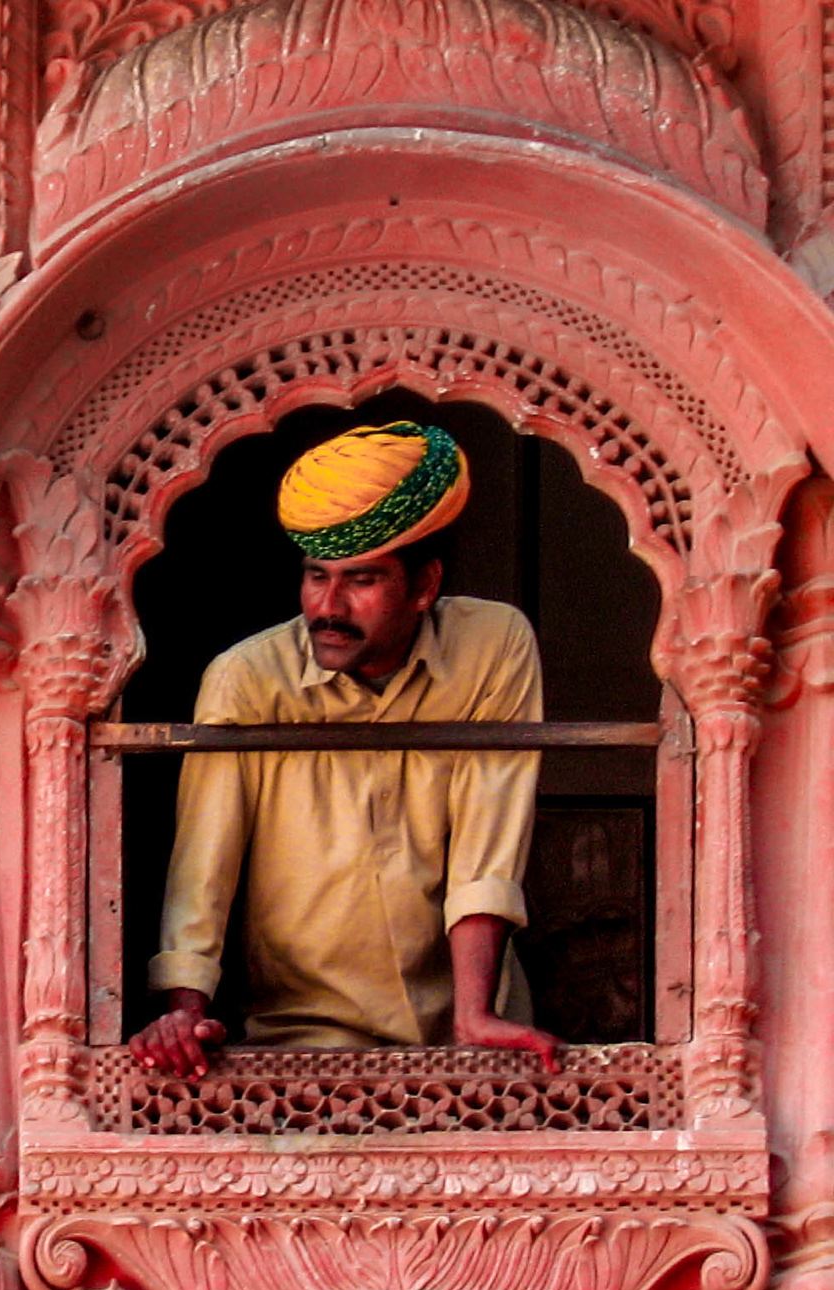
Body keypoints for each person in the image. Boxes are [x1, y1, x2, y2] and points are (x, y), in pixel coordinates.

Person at [129, 420, 559, 1079]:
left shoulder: (493, 646)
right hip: (300, 1033)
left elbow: (488, 838)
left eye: (361, 580)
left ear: (424, 586)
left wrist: (473, 1015)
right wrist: (186, 1009)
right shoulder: (247, 680)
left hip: (469, 1031)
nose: (328, 607)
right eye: (314, 577)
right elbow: (203, 867)